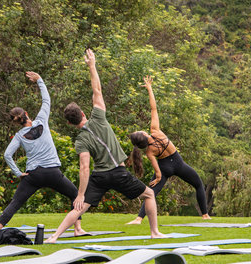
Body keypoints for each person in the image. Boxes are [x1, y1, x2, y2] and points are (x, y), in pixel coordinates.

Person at [45, 50, 164, 243]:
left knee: (79, 206)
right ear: (83, 113)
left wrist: (81, 194)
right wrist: (92, 65)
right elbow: (97, 91)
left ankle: (55, 236)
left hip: (99, 177)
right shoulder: (98, 118)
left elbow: (84, 168)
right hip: (118, 173)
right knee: (149, 194)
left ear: (70, 124)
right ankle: (154, 232)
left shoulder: (80, 140)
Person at [0, 71, 88, 238]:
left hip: (34, 175)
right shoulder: (42, 121)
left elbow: (7, 155)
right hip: (53, 173)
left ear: (15, 122)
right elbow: (46, 100)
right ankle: (78, 229)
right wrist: (39, 80)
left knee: (16, 203)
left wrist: (18, 173)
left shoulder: (19, 136)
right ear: (26, 113)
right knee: (75, 194)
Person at [126, 75, 211, 225]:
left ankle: (139, 219)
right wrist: (150, 89)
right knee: (198, 184)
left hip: (165, 167)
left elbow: (157, 171)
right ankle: (205, 215)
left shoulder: (149, 151)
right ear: (145, 134)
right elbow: (153, 108)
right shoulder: (155, 131)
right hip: (178, 163)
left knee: (151, 193)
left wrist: (158, 178)